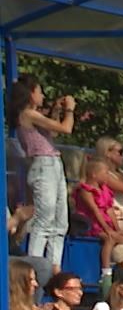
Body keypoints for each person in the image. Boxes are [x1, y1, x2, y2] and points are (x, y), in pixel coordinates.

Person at [8, 74, 73, 272]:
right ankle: (35, 264)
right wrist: (69, 109)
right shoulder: (27, 113)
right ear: (30, 94)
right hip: (43, 165)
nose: (42, 96)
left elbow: (51, 132)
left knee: (60, 221)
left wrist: (55, 111)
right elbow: (65, 129)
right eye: (39, 92)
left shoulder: (36, 116)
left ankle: (54, 266)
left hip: (53, 164)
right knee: (44, 219)